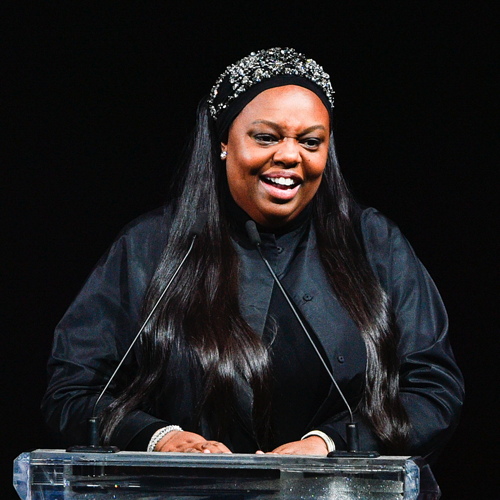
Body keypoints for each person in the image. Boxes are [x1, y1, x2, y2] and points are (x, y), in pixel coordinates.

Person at [42, 47, 464, 460]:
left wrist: (330, 443)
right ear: (224, 141)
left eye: (311, 141)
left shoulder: (373, 242)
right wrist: (161, 439)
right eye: (266, 137)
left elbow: (432, 390)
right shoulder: (150, 246)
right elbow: (73, 390)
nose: (289, 155)